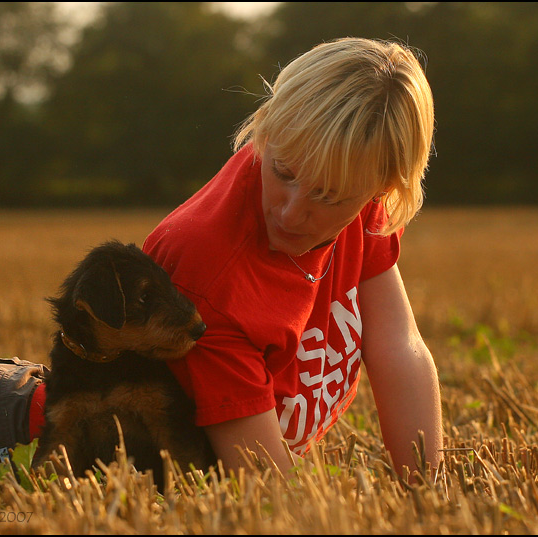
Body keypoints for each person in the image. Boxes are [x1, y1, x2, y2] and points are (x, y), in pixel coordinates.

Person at [143, 37, 443, 475]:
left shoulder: (352, 172)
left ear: (380, 190)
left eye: (328, 196)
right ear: (266, 129)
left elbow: (397, 344)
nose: (290, 211)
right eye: (282, 172)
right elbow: (265, 484)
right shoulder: (206, 273)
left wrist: (428, 494)